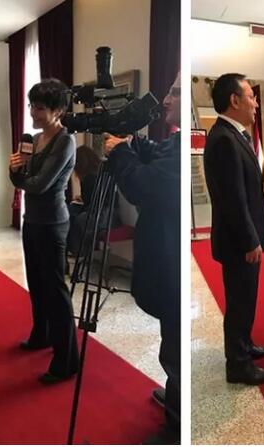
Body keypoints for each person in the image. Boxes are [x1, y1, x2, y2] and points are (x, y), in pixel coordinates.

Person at [102, 72, 181, 444]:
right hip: (163, 255)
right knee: (171, 338)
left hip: (169, 257)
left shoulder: (182, 145)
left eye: (174, 93)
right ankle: (175, 394)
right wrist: (133, 143)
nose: (165, 100)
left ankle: (176, 426)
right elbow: (157, 155)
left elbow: (143, 185)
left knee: (175, 344)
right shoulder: (175, 141)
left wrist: (120, 152)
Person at [203, 73, 264, 386]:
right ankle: (239, 364)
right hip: (238, 241)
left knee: (245, 298)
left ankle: (245, 345)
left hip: (243, 236)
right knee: (239, 302)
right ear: (234, 100)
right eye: (251, 97)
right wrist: (249, 240)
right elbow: (232, 198)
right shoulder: (223, 139)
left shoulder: (234, 135)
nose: (255, 104)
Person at [9, 78, 79, 384]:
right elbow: (22, 180)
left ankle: (67, 360)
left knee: (55, 290)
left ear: (58, 110)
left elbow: (40, 185)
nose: (33, 113)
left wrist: (21, 177)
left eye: (39, 108)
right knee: (36, 284)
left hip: (53, 223)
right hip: (32, 220)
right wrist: (14, 169)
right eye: (31, 106)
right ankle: (42, 335)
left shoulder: (65, 141)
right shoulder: (34, 139)